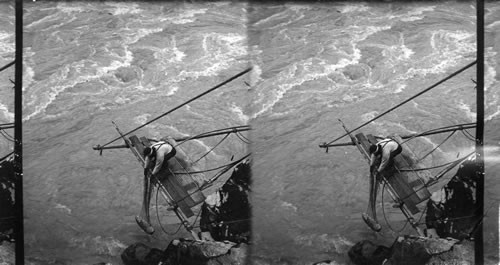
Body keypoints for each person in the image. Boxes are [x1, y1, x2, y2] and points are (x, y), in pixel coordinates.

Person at [135, 140, 177, 235]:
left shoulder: (160, 155)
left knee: (161, 166)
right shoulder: (149, 151)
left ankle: (167, 169)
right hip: (163, 146)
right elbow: (147, 159)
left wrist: (153, 174)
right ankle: (157, 168)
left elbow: (158, 166)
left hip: (171, 151)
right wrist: (146, 169)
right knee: (152, 163)